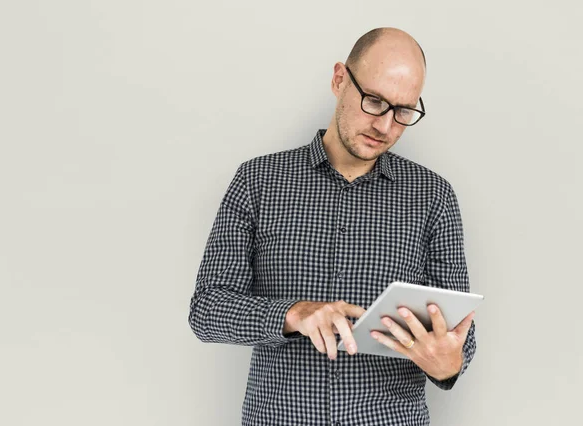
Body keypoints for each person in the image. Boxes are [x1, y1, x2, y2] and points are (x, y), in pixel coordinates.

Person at [188, 27, 477, 426]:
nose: (386, 126)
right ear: (340, 79)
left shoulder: (434, 197)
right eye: (374, 101)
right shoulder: (257, 181)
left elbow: (461, 339)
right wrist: (292, 313)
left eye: (404, 111)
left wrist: (446, 363)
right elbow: (207, 310)